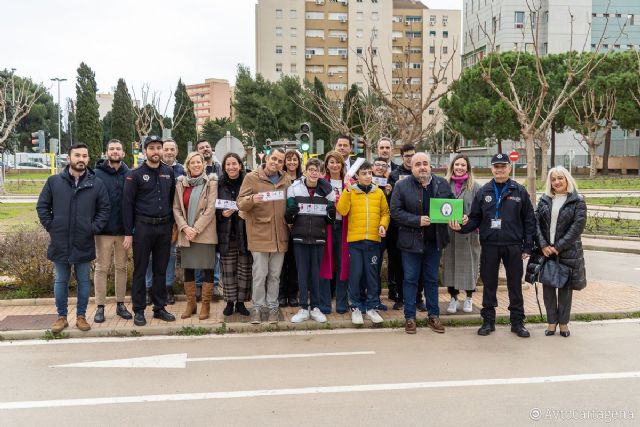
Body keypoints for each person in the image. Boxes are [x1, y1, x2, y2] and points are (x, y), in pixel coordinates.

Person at [450, 153, 536, 338]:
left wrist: (528, 246)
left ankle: (517, 322)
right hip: (489, 245)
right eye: (496, 166)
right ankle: (488, 321)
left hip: (513, 245)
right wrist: (460, 228)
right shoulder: (484, 191)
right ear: (492, 169)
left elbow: (529, 220)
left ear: (509, 168)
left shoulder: (519, 191)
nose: (500, 169)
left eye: (503, 166)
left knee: (515, 285)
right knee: (489, 285)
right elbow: (474, 219)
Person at [36, 143, 110, 333]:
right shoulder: (54, 182)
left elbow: (104, 209)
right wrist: (52, 226)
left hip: (83, 241)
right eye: (77, 155)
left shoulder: (96, 184)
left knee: (84, 281)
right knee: (61, 280)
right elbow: (42, 207)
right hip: (60, 241)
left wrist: (93, 228)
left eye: (85, 156)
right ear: (68, 158)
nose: (81, 159)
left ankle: (81, 317)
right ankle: (61, 317)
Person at [390, 153, 454, 334]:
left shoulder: (442, 184)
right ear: (412, 167)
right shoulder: (402, 185)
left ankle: (433, 316)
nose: (422, 167)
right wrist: (416, 220)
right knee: (410, 280)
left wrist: (458, 217)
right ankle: (410, 318)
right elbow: (395, 211)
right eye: (418, 164)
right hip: (410, 243)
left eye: (425, 163)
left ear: (430, 166)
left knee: (432, 280)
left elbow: (451, 205)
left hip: (434, 242)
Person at [123, 135, 177, 327]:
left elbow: (172, 201)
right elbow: (127, 204)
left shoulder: (168, 172)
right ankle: (138, 310)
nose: (156, 151)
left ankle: (159, 308)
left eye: (158, 148)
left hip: (164, 227)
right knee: (140, 270)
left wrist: (173, 226)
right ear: (145, 151)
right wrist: (128, 233)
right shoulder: (134, 174)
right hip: (143, 228)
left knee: (160, 270)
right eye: (152, 148)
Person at [238, 148, 291, 324]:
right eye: (273, 158)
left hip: (280, 234)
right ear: (267, 158)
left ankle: (272, 307)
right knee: (260, 274)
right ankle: (257, 308)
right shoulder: (252, 177)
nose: (276, 162)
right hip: (259, 234)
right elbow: (240, 203)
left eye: (280, 161)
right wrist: (252, 199)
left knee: (275, 275)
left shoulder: (286, 180)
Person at [535, 166, 587, 338]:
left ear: (567, 180)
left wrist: (558, 247)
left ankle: (563, 324)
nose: (557, 182)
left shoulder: (577, 200)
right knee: (548, 288)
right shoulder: (544, 199)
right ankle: (551, 323)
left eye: (560, 178)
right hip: (547, 251)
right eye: (553, 179)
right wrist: (543, 245)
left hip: (567, 252)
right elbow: (536, 224)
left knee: (565, 290)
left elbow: (576, 228)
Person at [337, 161, 390, 325]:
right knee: (356, 275)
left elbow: (385, 213)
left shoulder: (378, 192)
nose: (368, 176)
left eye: (369, 173)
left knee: (372, 275)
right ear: (357, 176)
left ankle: (372, 306)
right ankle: (356, 307)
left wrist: (382, 225)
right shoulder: (351, 191)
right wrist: (346, 189)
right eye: (364, 173)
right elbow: (342, 210)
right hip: (355, 241)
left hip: (373, 241)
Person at [286, 158, 336, 323]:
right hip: (299, 237)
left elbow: (330, 217)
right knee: (302, 273)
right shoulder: (294, 188)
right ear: (305, 171)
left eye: (318, 170)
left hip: (318, 237)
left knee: (315, 274)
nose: (314, 173)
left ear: (321, 173)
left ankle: (315, 307)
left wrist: (331, 214)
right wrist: (290, 213)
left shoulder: (327, 189)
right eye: (311, 169)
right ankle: (302, 308)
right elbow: (289, 214)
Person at [173, 151, 218, 320]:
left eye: (199, 162)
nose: (196, 165)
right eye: (193, 162)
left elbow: (210, 209)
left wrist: (195, 229)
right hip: (186, 233)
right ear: (188, 165)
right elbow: (176, 208)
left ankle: (205, 304)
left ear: (204, 164)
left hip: (204, 233)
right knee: (189, 269)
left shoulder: (211, 183)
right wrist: (185, 228)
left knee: (207, 268)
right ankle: (191, 303)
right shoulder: (181, 184)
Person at [93, 139, 132, 323]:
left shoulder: (130, 174)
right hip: (103, 231)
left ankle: (120, 304)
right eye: (112, 149)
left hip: (124, 232)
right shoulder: (96, 174)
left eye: (118, 149)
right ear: (106, 152)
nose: (115, 151)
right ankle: (100, 307)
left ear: (123, 153)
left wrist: (130, 231)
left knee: (121, 267)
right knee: (101, 268)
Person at [144, 139, 185, 305]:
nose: (168, 152)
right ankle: (149, 288)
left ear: (176, 151)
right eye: (165, 149)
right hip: (150, 221)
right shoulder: (149, 169)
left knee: (170, 256)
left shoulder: (184, 170)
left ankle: (167, 288)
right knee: (149, 257)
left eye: (171, 149)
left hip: (172, 221)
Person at [387, 143, 425, 311]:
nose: (410, 159)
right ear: (401, 157)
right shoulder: (394, 175)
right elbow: (391, 203)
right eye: (407, 156)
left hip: (420, 226)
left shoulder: (424, 174)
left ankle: (418, 298)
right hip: (399, 227)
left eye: (413, 155)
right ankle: (401, 297)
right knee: (398, 264)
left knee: (420, 266)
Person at [442, 154, 481, 314]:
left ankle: (469, 298)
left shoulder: (476, 187)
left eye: (463, 165)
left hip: (468, 235)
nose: (459, 167)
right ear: (452, 166)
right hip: (449, 234)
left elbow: (480, 212)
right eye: (457, 164)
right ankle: (453, 298)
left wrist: (469, 218)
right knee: (450, 266)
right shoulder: (444, 185)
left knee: (469, 266)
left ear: (468, 168)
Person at [217, 152, 252, 317]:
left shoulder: (248, 181)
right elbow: (212, 207)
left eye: (234, 163)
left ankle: (241, 302)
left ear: (240, 165)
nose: (231, 167)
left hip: (244, 231)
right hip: (226, 232)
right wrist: (221, 214)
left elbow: (252, 203)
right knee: (228, 270)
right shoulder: (218, 184)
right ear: (224, 167)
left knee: (244, 269)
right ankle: (229, 302)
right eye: (228, 164)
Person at [319, 151, 350, 314]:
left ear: (342, 165)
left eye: (338, 162)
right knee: (326, 263)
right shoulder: (321, 182)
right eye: (331, 162)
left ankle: (342, 302)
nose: (335, 165)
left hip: (344, 227)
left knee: (343, 263)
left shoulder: (349, 182)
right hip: (327, 227)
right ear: (327, 165)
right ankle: (324, 303)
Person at [195, 138, 223, 300]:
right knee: (199, 252)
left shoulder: (219, 168)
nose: (205, 149)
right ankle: (199, 286)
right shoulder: (195, 169)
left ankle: (214, 285)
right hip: (198, 217)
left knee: (215, 254)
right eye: (201, 148)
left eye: (207, 146)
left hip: (216, 217)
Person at [279, 150, 303, 307]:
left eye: (295, 159)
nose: (292, 162)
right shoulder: (279, 179)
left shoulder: (303, 180)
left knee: (294, 261)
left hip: (299, 224)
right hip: (280, 224)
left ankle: (293, 294)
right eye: (289, 159)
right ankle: (281, 294)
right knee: (281, 262)